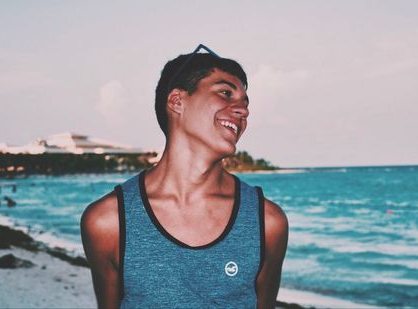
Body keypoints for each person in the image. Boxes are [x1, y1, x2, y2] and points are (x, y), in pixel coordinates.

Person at [81, 44, 289, 308]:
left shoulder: (267, 222)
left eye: (245, 103)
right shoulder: (108, 222)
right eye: (225, 93)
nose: (243, 110)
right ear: (177, 101)